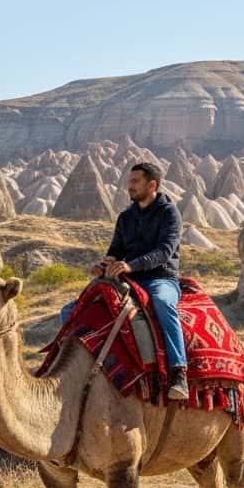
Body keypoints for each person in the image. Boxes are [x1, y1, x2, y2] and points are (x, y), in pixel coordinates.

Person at [88, 162, 188, 400]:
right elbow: (116, 250)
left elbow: (164, 252)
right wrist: (104, 264)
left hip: (160, 278)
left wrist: (131, 265)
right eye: (129, 181)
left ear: (152, 185)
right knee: (76, 307)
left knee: (163, 303)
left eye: (135, 181)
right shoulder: (126, 217)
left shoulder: (169, 214)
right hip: (127, 279)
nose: (129, 186)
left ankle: (179, 372)